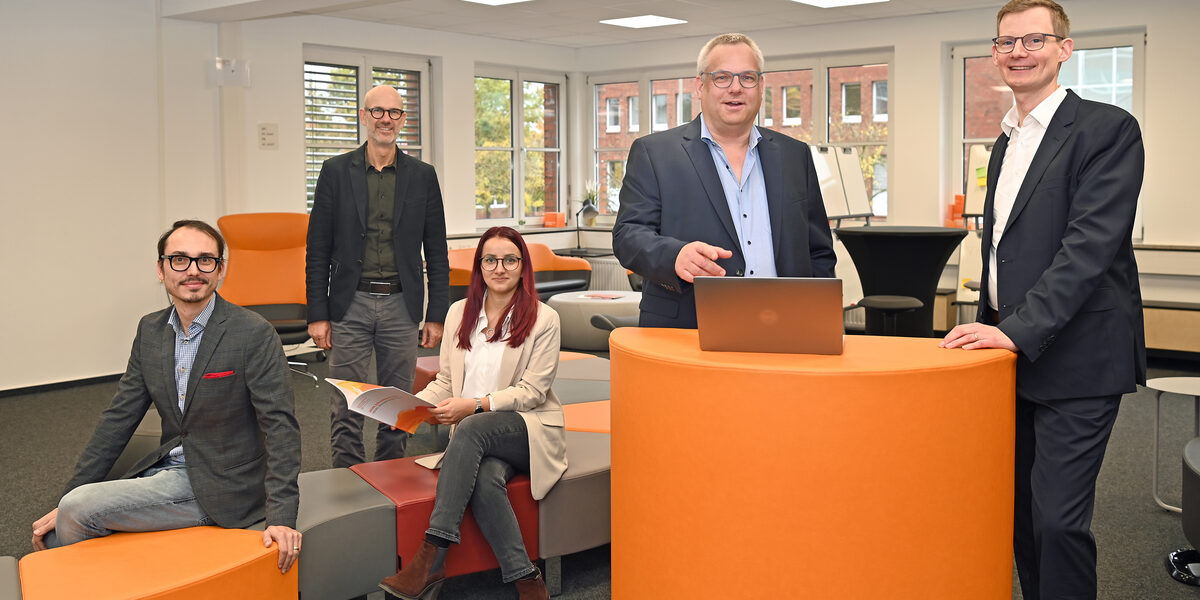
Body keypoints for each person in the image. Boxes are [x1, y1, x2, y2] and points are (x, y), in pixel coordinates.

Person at [941, 2, 1145, 598]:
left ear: (1064, 48)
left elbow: (1088, 249)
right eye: (1006, 42)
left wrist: (1015, 328)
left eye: (1034, 39)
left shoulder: (1107, 129)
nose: (1019, 52)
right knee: (1022, 519)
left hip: (1078, 357)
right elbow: (1006, 248)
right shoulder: (1005, 141)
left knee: (1058, 522)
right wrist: (994, 330)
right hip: (1009, 357)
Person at [31, 219, 303, 573]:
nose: (193, 270)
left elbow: (280, 427)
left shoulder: (252, 333)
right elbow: (118, 418)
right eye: (179, 259)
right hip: (167, 466)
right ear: (161, 269)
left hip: (224, 485)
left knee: (79, 510)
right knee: (60, 526)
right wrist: (63, 497)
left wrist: (282, 515)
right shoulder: (151, 330)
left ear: (220, 270)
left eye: (206, 260)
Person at [378, 227, 565, 600]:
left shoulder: (544, 319)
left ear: (522, 266)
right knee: (484, 478)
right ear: (479, 267)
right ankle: (527, 579)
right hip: (475, 437)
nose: (500, 268)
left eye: (510, 259)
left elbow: (531, 393)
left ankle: (432, 555)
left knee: (473, 427)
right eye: (490, 259)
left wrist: (475, 406)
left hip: (527, 429)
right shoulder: (458, 313)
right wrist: (416, 406)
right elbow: (447, 380)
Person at [612, 32, 836, 329]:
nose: (735, 88)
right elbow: (628, 235)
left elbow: (818, 250)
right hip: (691, 326)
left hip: (786, 328)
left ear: (761, 86)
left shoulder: (794, 155)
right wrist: (674, 256)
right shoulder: (654, 153)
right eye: (722, 77)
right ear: (700, 85)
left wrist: (820, 317)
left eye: (747, 77)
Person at [306, 83, 451, 467]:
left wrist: (436, 314)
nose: (386, 119)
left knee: (397, 406)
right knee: (347, 402)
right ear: (363, 116)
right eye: (378, 111)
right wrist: (318, 314)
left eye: (394, 113)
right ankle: (347, 477)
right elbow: (317, 248)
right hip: (349, 304)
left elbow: (436, 249)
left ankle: (392, 477)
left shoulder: (422, 176)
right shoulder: (335, 172)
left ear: (403, 120)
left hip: (400, 305)